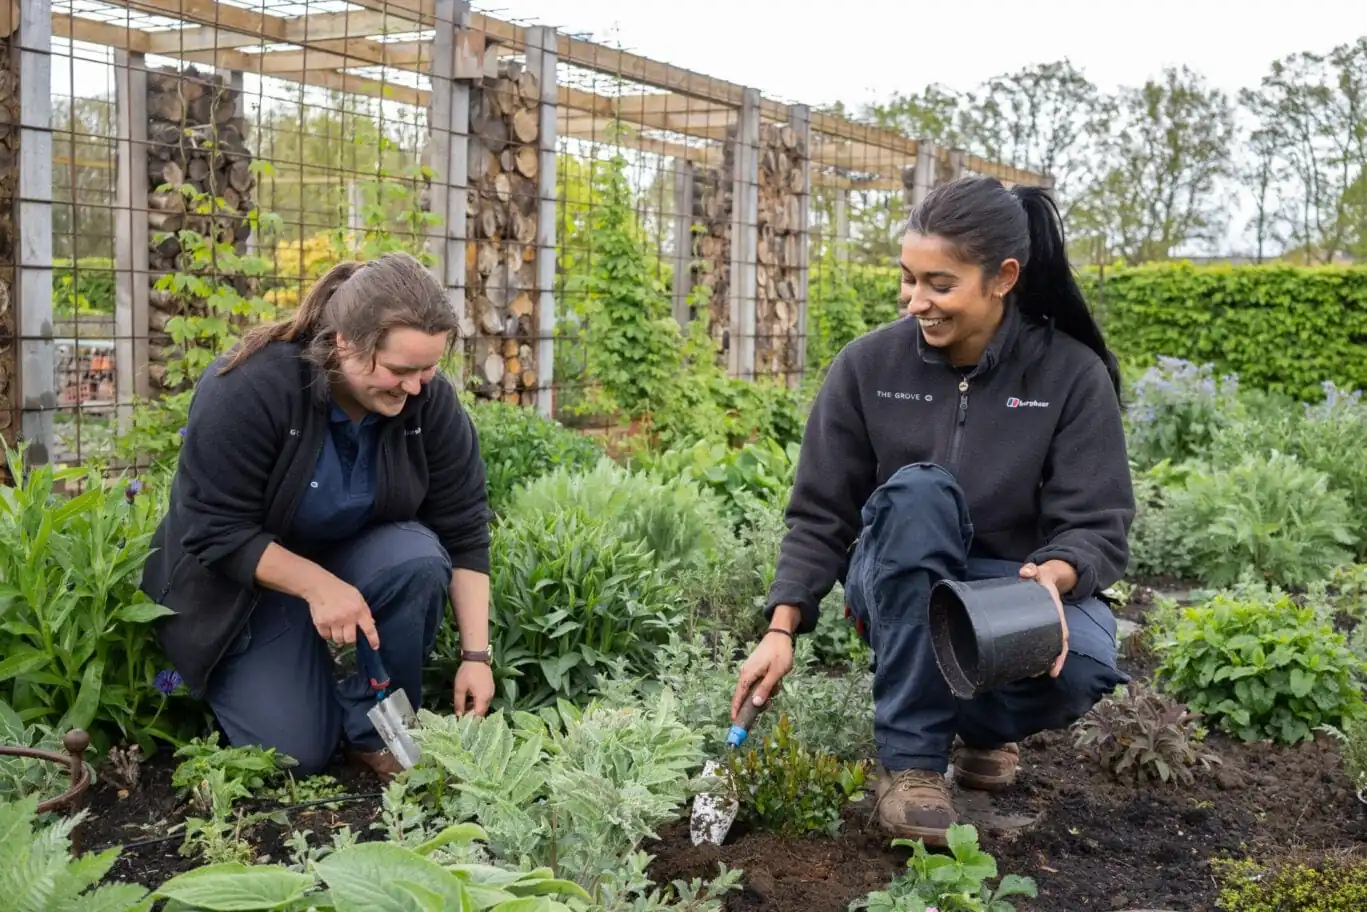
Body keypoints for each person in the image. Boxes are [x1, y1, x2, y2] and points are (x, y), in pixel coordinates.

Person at [731, 176, 1134, 847]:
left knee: (1085, 667)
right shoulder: (868, 366)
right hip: (898, 575)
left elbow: (1096, 521)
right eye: (908, 278)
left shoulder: (1068, 375)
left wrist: (1054, 576)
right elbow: (820, 512)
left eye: (938, 283)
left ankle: (981, 728)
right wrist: (782, 626)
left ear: (1002, 277)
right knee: (918, 493)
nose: (915, 300)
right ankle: (912, 765)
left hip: (1015, 583)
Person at [140, 251, 496, 780]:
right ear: (343, 342)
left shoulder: (426, 401)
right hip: (242, 593)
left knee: (418, 557)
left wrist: (476, 657)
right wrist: (316, 586)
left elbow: (465, 528)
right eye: (400, 370)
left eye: (430, 368)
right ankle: (302, 674)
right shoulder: (250, 389)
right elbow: (212, 529)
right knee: (297, 754)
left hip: (353, 566)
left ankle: (371, 733)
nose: (417, 386)